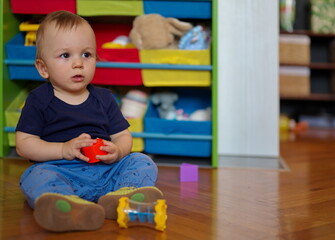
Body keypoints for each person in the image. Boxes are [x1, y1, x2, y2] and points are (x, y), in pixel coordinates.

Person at [15, 10, 163, 232]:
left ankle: (123, 198)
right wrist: (64, 149)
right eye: (65, 55)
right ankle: (68, 205)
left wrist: (118, 150)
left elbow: (122, 135)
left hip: (105, 172)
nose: (78, 64)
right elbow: (24, 144)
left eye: (86, 54)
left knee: (142, 161)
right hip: (61, 172)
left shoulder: (104, 98)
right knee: (35, 176)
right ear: (43, 68)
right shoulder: (38, 100)